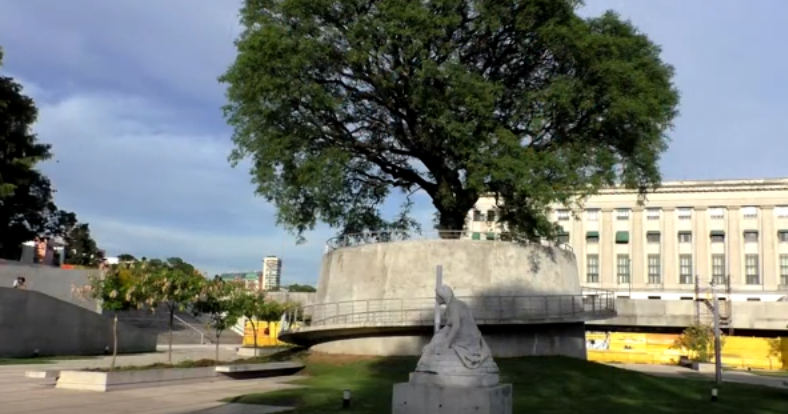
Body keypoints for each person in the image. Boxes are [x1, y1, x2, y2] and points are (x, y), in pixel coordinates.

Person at [417, 284, 493, 370]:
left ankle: (427, 363)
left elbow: (456, 326)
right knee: (439, 335)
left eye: (437, 296)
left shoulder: (452, 306)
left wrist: (446, 343)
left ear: (443, 296)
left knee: (438, 339)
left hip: (466, 339)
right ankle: (428, 356)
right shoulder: (459, 303)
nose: (435, 298)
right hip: (473, 337)